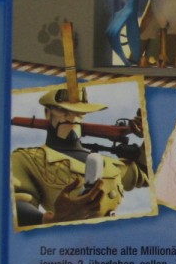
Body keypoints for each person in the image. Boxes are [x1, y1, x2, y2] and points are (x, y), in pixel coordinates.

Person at [11, 85, 149, 227]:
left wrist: (147, 129)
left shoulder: (109, 164)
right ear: (47, 113)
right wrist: (52, 220)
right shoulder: (28, 158)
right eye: (62, 110)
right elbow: (16, 203)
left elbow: (145, 171)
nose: (72, 117)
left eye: (79, 112)